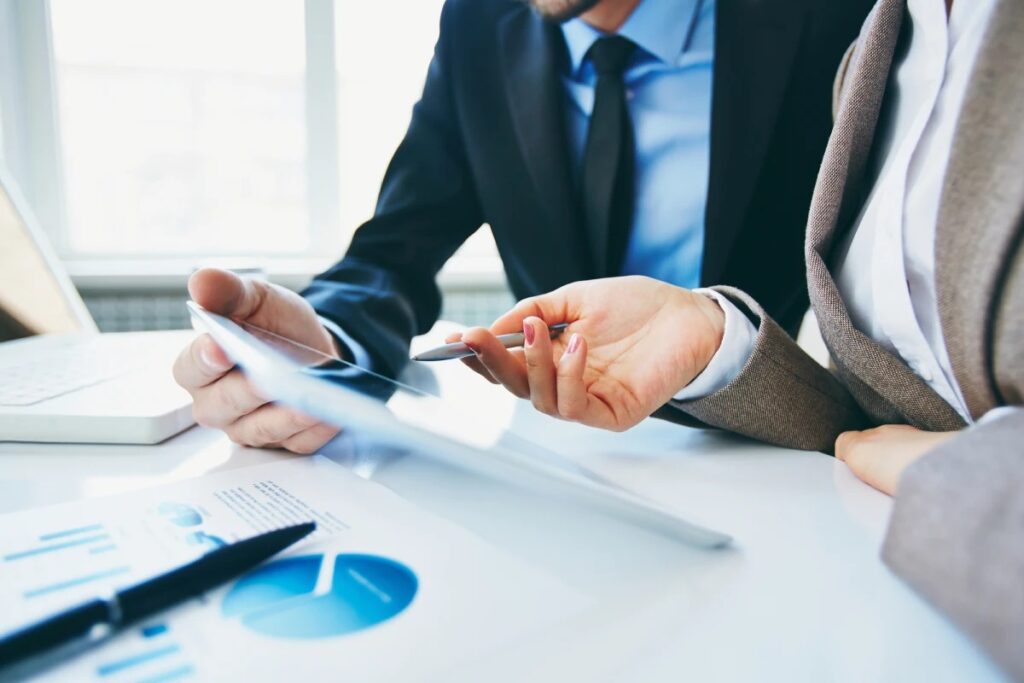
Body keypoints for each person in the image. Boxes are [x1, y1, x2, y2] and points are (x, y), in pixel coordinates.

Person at [455, 0, 1024, 676]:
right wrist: (715, 343)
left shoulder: (824, 24)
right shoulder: (890, 35)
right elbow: (893, 415)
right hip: (830, 607)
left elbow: (925, 453)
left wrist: (961, 481)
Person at [172, 0, 873, 453]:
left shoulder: (831, 22)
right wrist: (329, 343)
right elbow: (396, 247)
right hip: (555, 455)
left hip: (761, 454)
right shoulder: (480, 26)